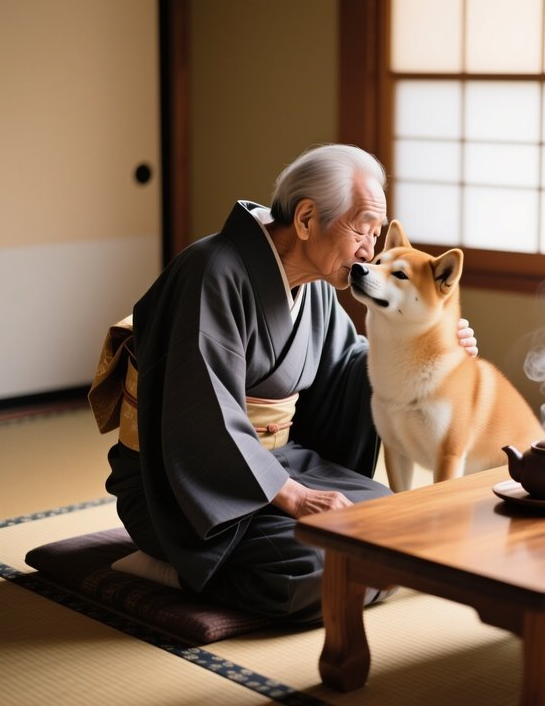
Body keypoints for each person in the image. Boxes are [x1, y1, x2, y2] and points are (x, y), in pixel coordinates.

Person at [100, 144, 476, 624]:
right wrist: (296, 497)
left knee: (387, 528)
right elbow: (201, 412)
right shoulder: (210, 272)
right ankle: (170, 567)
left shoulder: (316, 281)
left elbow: (351, 366)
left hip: (276, 465)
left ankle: (249, 552)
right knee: (313, 569)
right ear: (305, 220)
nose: (370, 251)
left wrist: (431, 351)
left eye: (376, 234)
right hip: (179, 486)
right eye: (361, 228)